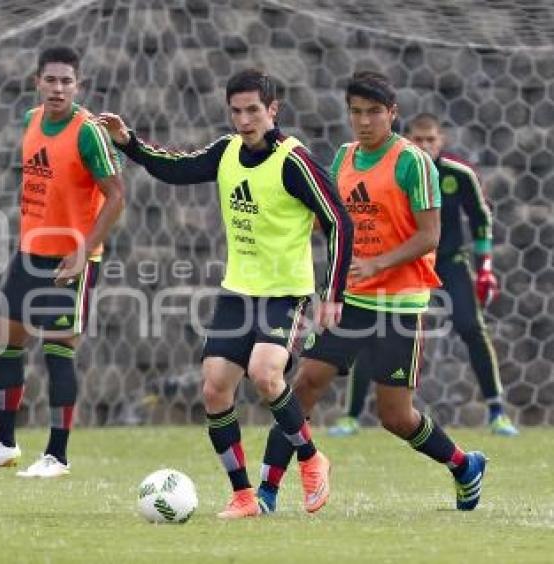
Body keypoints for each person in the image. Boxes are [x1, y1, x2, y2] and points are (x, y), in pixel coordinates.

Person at [98, 69, 353, 518]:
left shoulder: (295, 162)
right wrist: (129, 143)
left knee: (265, 373)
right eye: (236, 111)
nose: (244, 119)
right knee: (215, 389)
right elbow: (175, 168)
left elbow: (339, 222)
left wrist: (333, 291)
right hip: (237, 293)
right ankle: (243, 496)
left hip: (284, 294)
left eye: (253, 109)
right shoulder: (226, 151)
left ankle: (312, 460)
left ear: (273, 110)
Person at [263, 71, 487, 511]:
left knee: (395, 417)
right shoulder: (344, 157)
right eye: (356, 112)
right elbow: (330, 217)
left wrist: (379, 263)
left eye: (374, 113)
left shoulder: (412, 162)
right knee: (304, 383)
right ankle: (266, 491)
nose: (364, 122)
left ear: (392, 114)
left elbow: (430, 235)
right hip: (349, 301)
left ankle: (464, 465)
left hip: (398, 304)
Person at [0, 47, 124, 478]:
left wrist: (83, 249)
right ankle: (4, 443)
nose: (58, 88)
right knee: (6, 339)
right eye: (51, 80)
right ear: (37, 82)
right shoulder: (30, 120)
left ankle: (57, 455)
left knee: (58, 349)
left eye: (66, 81)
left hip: (71, 257)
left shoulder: (88, 132)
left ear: (78, 85)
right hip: (29, 250)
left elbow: (117, 195)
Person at [328, 113, 517, 437]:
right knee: (368, 332)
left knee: (472, 328)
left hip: (448, 263)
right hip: (403, 263)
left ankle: (497, 411)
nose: (425, 145)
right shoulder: (398, 169)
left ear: (441, 140)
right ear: (408, 139)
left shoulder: (458, 174)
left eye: (431, 139)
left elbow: (480, 219)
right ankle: (351, 415)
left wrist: (485, 267)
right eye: (419, 139)